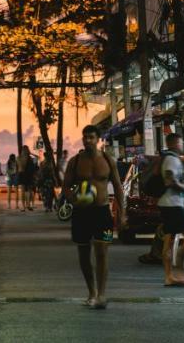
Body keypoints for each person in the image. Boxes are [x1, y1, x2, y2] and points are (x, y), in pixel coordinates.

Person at [62, 125, 125, 309]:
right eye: (85, 137)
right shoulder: (75, 161)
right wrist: (74, 199)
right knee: (83, 253)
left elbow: (118, 187)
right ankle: (92, 292)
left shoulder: (108, 160)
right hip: (82, 213)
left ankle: (102, 294)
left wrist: (122, 213)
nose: (87, 140)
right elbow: (66, 186)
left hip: (102, 212)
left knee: (102, 252)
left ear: (98, 139)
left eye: (91, 137)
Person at [158, 133, 184, 286]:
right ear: (174, 144)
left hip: (168, 204)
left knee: (168, 241)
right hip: (172, 204)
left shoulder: (169, 158)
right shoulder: (171, 159)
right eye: (180, 142)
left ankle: (169, 276)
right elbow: (169, 180)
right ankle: (179, 272)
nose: (182, 145)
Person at [18, 146, 38, 211]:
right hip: (29, 175)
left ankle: (23, 206)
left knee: (23, 191)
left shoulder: (19, 158)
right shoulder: (30, 158)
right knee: (29, 191)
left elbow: (18, 168)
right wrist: (31, 153)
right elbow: (37, 157)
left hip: (22, 175)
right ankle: (28, 205)